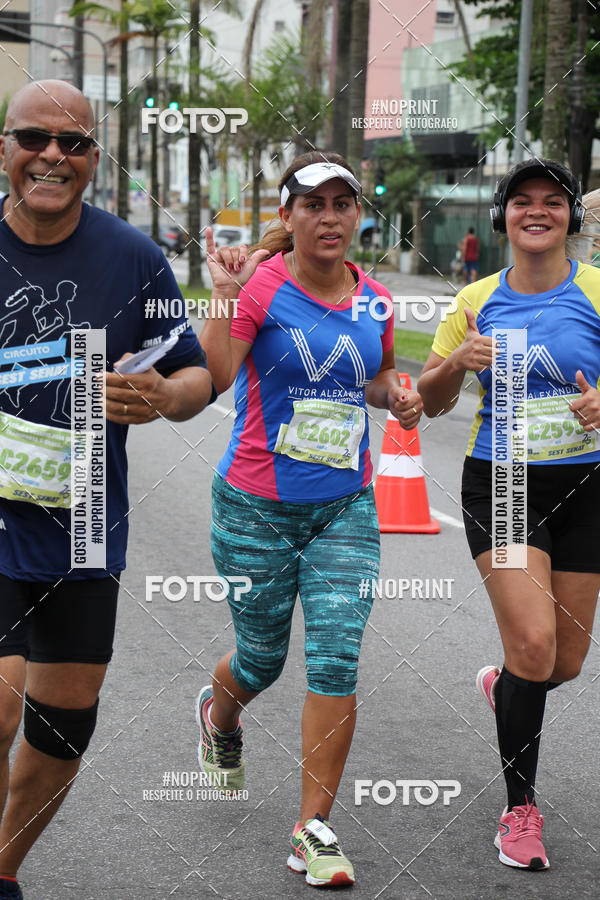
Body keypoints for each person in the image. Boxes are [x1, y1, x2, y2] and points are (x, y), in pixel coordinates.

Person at [0, 80, 214, 899]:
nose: (53, 155)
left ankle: (5, 869)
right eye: (34, 138)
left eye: (75, 143)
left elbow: (193, 370)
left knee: (62, 730)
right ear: (6, 149)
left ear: (92, 158)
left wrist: (165, 396)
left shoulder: (132, 257)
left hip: (85, 525)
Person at [197, 150, 423, 888]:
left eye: (341, 204)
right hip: (255, 508)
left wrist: (402, 394)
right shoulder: (260, 286)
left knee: (334, 658)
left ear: (357, 214)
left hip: (345, 509)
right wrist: (222, 296)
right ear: (289, 216)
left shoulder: (377, 301)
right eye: (313, 205)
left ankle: (311, 829)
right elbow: (217, 378)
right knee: (260, 661)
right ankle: (219, 717)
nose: (329, 217)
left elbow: (381, 375)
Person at [418, 158, 600, 871]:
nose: (536, 211)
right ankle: (519, 810)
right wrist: (457, 362)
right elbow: (426, 404)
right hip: (505, 480)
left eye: (552, 201)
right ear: (502, 217)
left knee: (565, 660)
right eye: (521, 201)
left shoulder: (595, 291)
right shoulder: (471, 300)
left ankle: (508, 687)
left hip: (587, 484)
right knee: (533, 646)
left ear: (569, 218)